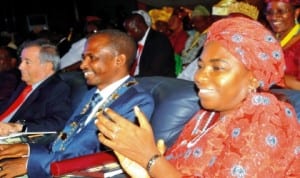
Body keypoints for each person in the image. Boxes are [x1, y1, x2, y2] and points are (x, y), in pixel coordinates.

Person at [96, 17, 300, 177]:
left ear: (254, 78)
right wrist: (143, 171)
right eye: (201, 66)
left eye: (217, 68)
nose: (199, 76)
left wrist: (150, 158)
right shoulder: (206, 116)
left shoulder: (269, 117)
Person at [0, 29, 154, 177]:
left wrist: (31, 163)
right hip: (53, 163)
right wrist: (26, 149)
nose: (82, 65)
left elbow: (102, 156)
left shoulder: (136, 101)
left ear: (119, 60)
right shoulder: (92, 94)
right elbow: (67, 138)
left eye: (92, 57)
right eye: (83, 57)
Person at [0, 39, 72, 136]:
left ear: (47, 66)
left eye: (27, 62)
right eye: (21, 61)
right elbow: (8, 108)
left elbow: (58, 123)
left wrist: (19, 127)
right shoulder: (24, 85)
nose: (20, 66)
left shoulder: (57, 88)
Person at [123, 10, 175, 77]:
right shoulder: (135, 42)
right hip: (140, 80)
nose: (128, 34)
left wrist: (129, 83)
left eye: (131, 30)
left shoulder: (159, 40)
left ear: (141, 26)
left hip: (158, 83)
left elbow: (153, 72)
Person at [265, 0, 300, 90]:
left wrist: (270, 77)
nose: (274, 17)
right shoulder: (266, 39)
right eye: (269, 12)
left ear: (296, 13)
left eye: (281, 11)